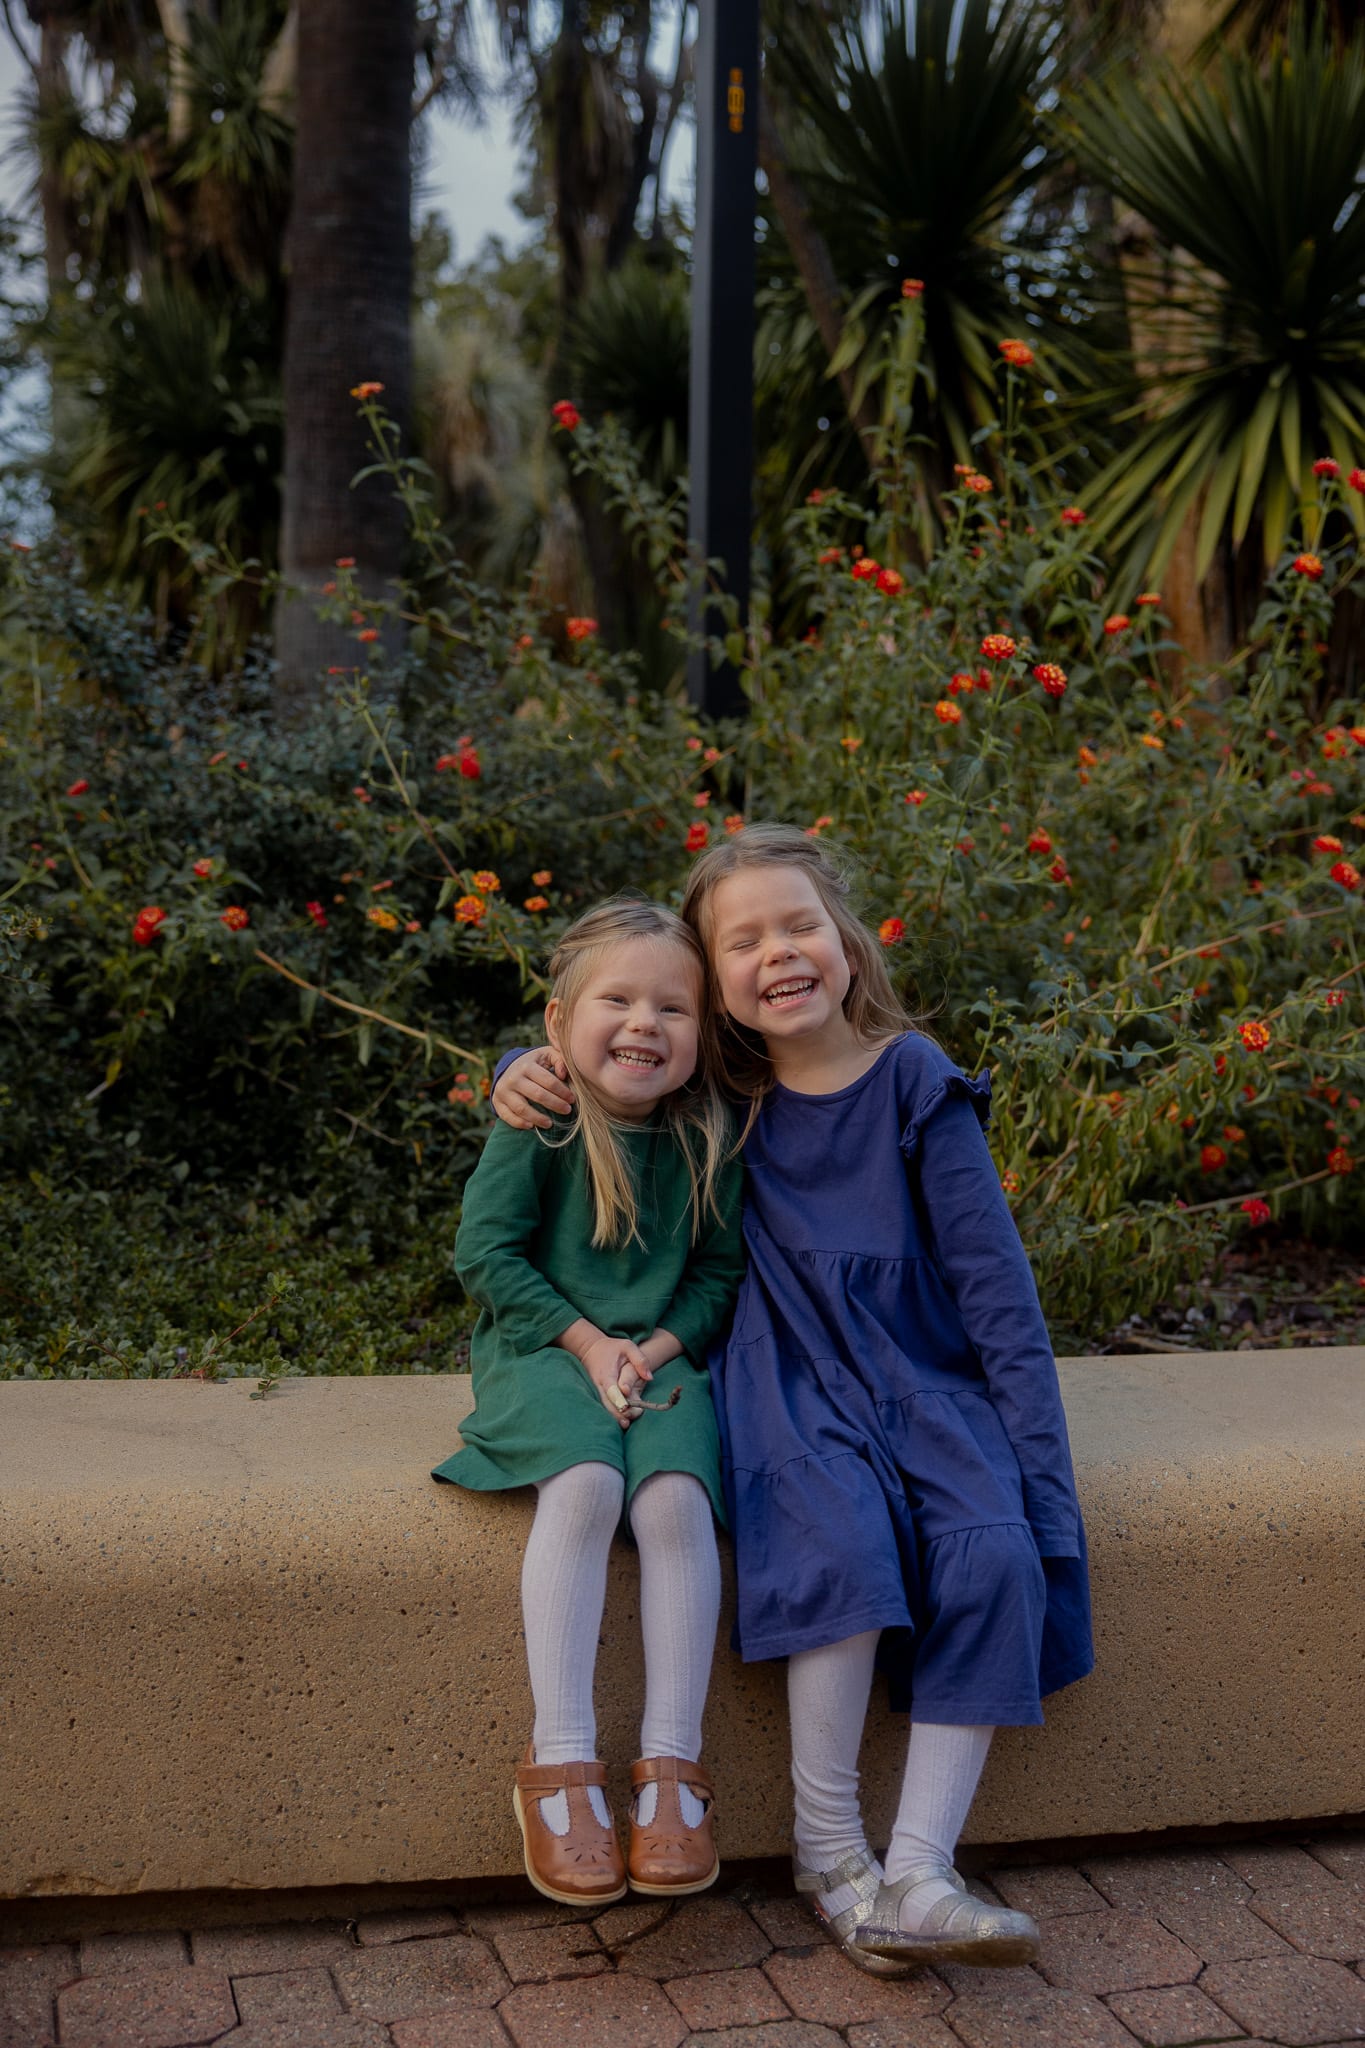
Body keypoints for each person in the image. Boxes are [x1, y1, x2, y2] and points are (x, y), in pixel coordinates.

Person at [491, 824, 1094, 1972]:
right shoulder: (727, 1088)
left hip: (925, 1382)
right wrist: (525, 1062)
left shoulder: (918, 1082)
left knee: (993, 1550)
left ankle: (920, 1869)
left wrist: (1039, 1478)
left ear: (849, 941)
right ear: (714, 986)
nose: (779, 952)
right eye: (744, 940)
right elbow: (619, 1036)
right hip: (791, 1377)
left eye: (799, 924)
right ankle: (830, 1855)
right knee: (842, 1545)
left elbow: (1001, 1303)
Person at [434, 898, 744, 1909]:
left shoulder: (711, 1136)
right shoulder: (544, 1117)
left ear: (706, 1032)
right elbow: (486, 1254)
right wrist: (588, 1341)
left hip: (657, 1357)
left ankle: (671, 1766)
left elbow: (716, 1274)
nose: (645, 1023)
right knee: (581, 1485)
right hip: (543, 1348)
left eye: (673, 1006)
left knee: (673, 1503)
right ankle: (561, 1761)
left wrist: (649, 1348)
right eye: (617, 998)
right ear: (559, 1020)